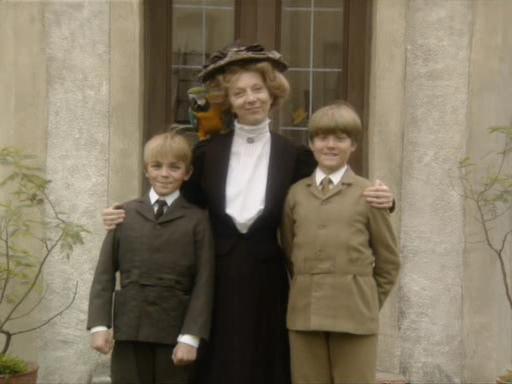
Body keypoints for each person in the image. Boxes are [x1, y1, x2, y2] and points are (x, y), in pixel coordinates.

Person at [102, 44, 394, 384]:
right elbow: (175, 203)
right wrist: (126, 214)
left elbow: (333, 190)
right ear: (229, 101)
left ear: (272, 94)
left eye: (257, 89)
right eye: (239, 93)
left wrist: (385, 199)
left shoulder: (295, 156)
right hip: (216, 278)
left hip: (269, 282)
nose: (250, 98)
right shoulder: (207, 154)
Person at [281, 102, 400, 384]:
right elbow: (289, 251)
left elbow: (389, 262)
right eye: (322, 137)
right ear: (311, 144)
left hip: (354, 318)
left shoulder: (369, 194)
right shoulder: (296, 194)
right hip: (305, 317)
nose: (330, 145)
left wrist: (366, 301)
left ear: (354, 144)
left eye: (340, 138)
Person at [87, 132, 214, 384]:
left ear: (187, 173)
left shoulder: (197, 220)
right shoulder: (125, 213)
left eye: (174, 167)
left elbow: (205, 282)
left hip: (174, 331)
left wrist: (190, 336)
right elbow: (104, 274)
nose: (164, 174)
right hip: (129, 327)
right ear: (146, 170)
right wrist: (99, 325)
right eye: (157, 166)